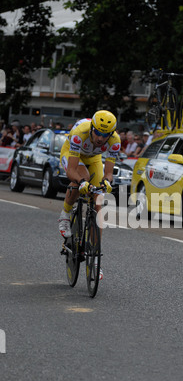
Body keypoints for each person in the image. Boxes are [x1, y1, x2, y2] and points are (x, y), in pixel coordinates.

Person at [58, 110, 121, 280]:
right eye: (98, 132)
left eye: (105, 134)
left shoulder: (115, 142)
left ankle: (94, 257)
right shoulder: (80, 134)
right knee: (82, 179)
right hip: (72, 154)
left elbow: (108, 173)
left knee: (98, 201)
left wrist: (106, 182)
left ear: (111, 134)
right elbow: (71, 170)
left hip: (93, 158)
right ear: (92, 127)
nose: (100, 138)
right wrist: (82, 183)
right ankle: (65, 214)